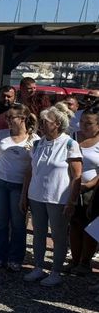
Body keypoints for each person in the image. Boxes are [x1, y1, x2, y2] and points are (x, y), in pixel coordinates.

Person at [22, 106, 82, 287]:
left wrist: (71, 201)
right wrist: (24, 195)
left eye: (46, 121)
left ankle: (56, 271)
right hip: (36, 196)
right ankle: (38, 267)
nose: (41, 124)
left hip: (58, 198)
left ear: (57, 124)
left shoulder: (70, 144)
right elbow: (30, 171)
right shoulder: (38, 143)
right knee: (38, 234)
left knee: (58, 236)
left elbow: (77, 176)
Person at [0, 103, 38, 271]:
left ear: (23, 119)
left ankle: (15, 258)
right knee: (0, 222)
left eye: (11, 118)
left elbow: (33, 168)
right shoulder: (0, 135)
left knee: (18, 224)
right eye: (7, 117)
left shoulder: (35, 140)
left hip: (19, 185)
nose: (8, 121)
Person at [69, 106, 99, 278]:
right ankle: (74, 260)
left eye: (88, 123)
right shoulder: (72, 138)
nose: (83, 126)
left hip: (92, 190)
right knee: (74, 225)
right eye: (81, 122)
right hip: (72, 187)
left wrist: (89, 185)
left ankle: (85, 262)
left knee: (89, 228)